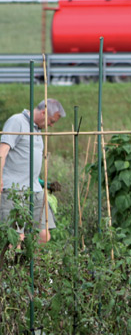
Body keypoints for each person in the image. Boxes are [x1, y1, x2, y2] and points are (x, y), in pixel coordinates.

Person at [0, 99, 66, 244]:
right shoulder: (17, 121)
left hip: (34, 190)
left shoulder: (37, 130)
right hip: (14, 190)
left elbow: (26, 164)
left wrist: (44, 184)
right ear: (43, 113)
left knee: (43, 235)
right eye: (51, 121)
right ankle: (14, 266)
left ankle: (30, 264)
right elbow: (2, 152)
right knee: (16, 237)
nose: (51, 125)